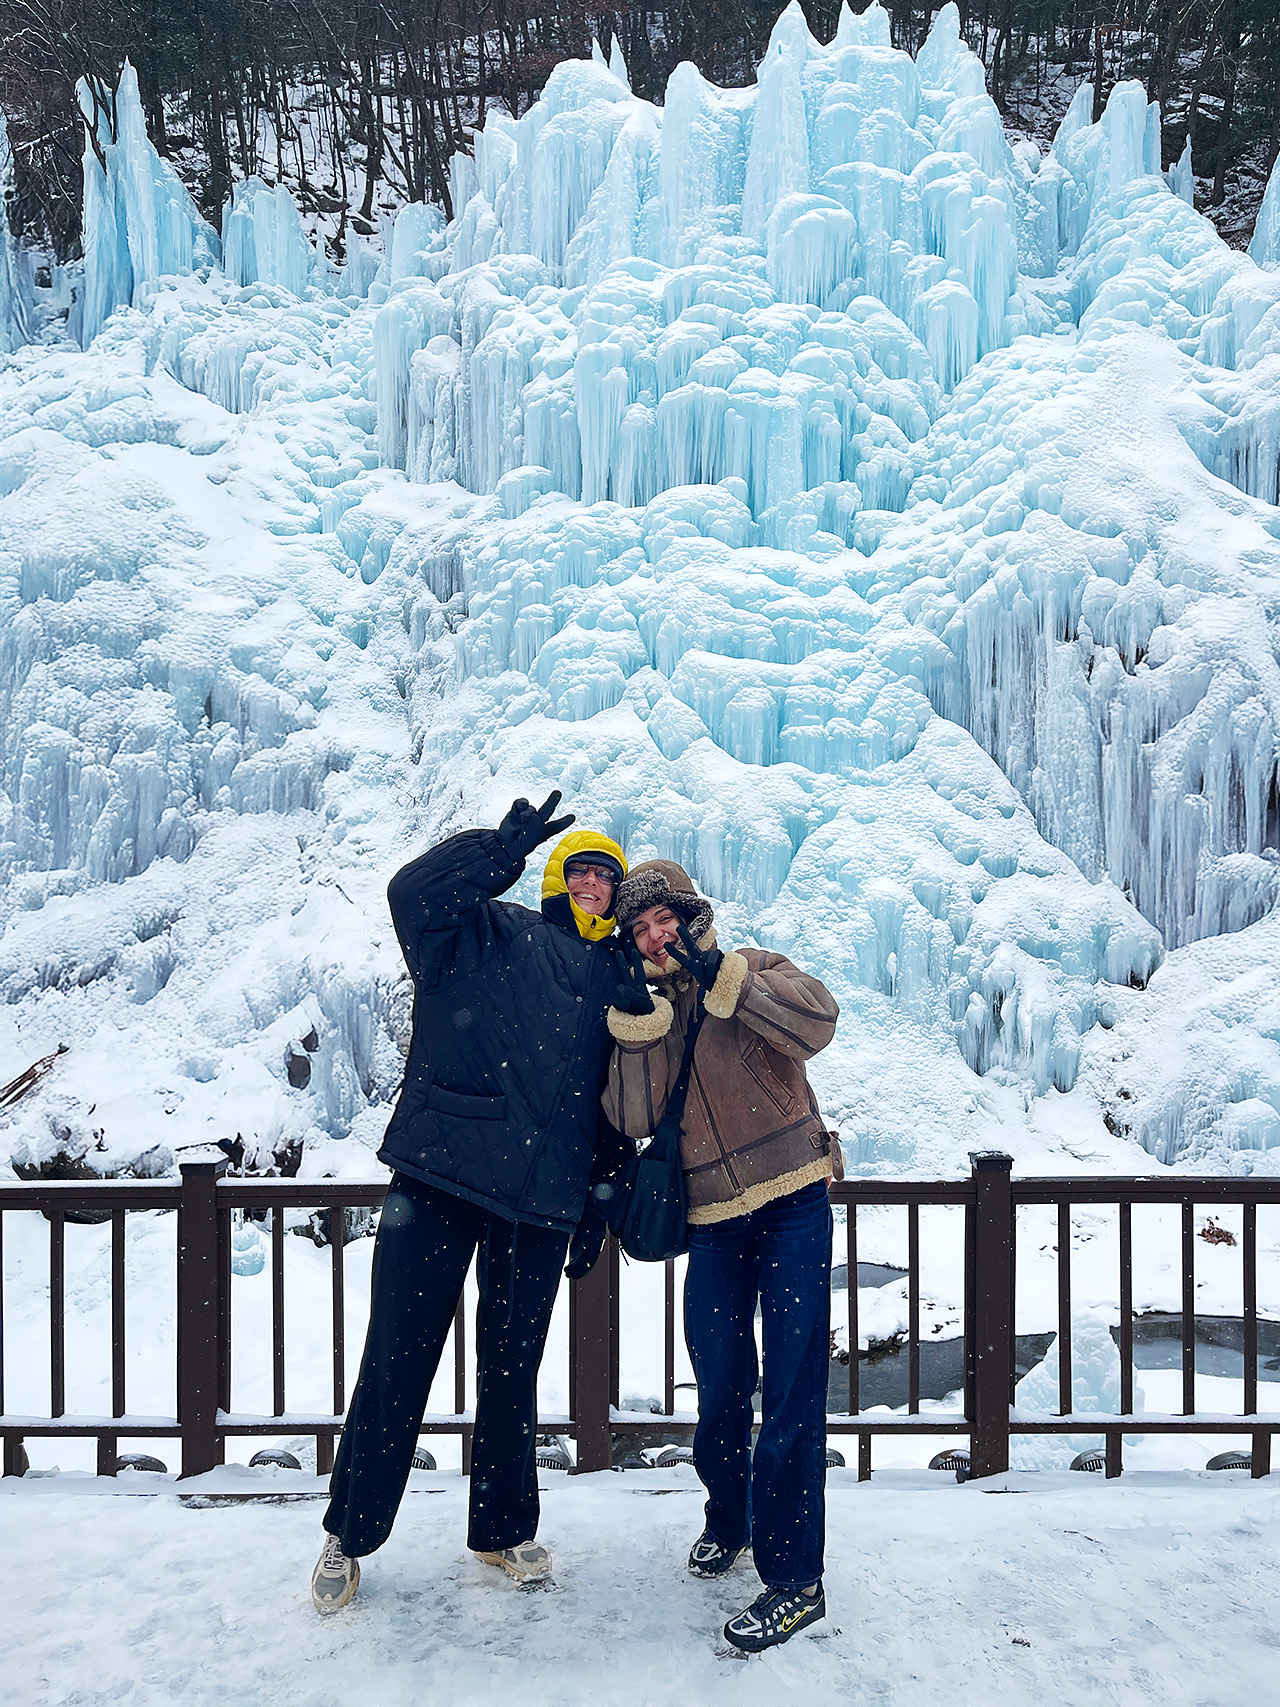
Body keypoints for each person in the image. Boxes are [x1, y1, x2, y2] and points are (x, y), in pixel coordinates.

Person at [311, 792, 629, 1612]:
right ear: (555, 876)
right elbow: (410, 895)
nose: (594, 885)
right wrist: (497, 850)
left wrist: (593, 1200)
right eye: (582, 870)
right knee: (397, 1357)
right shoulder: (485, 927)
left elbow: (600, 1104)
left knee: (512, 1373)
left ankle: (500, 1527)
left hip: (540, 1202)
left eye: (607, 877)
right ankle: (347, 1534)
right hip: (441, 1176)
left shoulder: (613, 979)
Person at [602, 859, 840, 1653]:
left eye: (660, 918)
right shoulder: (655, 1013)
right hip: (712, 1218)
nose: (653, 935)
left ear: (687, 913)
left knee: (795, 1385)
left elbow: (817, 1023)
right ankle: (728, 1520)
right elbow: (633, 1115)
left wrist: (728, 981)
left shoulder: (755, 967)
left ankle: (795, 1579)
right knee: (720, 1384)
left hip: (795, 1199)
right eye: (637, 930)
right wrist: (637, 1026)